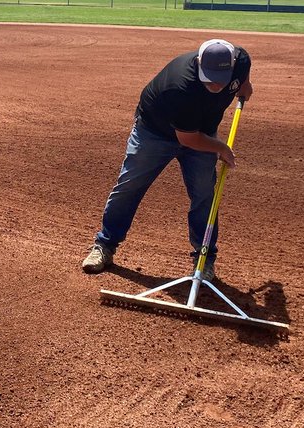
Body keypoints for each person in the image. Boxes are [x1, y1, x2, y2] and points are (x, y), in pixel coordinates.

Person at [83, 39, 252, 280]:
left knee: (204, 194)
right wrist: (220, 148)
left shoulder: (240, 61)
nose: (215, 84)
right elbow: (188, 139)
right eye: (209, 77)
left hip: (200, 132)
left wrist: (244, 84)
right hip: (155, 133)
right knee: (129, 187)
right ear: (198, 63)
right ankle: (105, 245)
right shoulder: (180, 86)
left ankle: (204, 259)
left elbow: (244, 69)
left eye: (221, 79)